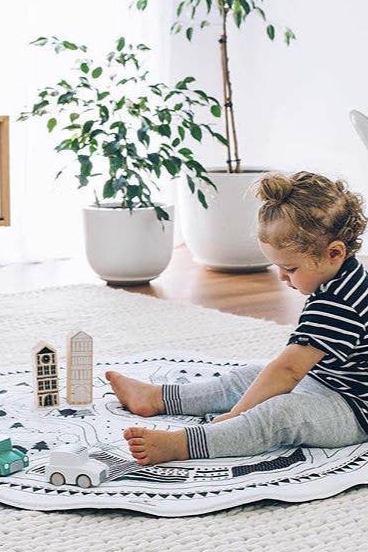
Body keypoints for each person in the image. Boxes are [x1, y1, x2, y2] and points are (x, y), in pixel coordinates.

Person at [106, 171, 368, 465]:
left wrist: (237, 415)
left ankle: (187, 444)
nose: (282, 277)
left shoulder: (339, 304)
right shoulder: (345, 276)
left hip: (355, 410)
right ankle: (158, 397)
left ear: (334, 253)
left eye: (290, 269)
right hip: (325, 381)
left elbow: (289, 369)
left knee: (279, 413)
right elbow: (286, 370)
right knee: (251, 376)